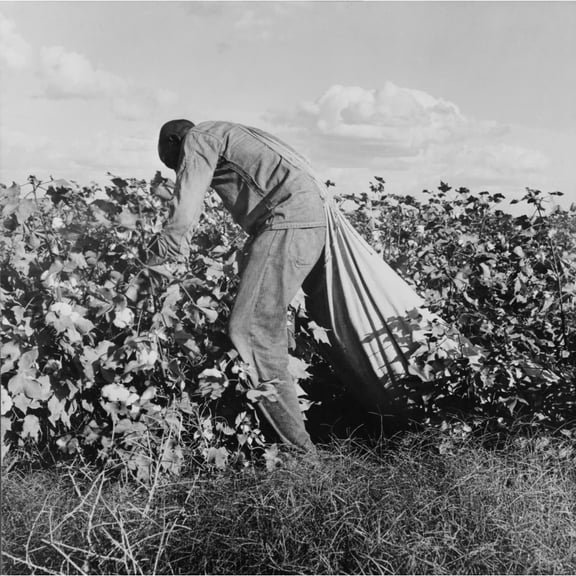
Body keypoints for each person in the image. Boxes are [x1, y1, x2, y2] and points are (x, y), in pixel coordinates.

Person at [149, 119, 328, 452]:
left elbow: (185, 205)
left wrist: (162, 256)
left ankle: (300, 456)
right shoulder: (228, 133)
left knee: (252, 331)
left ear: (175, 140)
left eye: (176, 162)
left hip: (288, 223)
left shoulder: (199, 138)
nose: (182, 169)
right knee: (266, 323)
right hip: (308, 222)